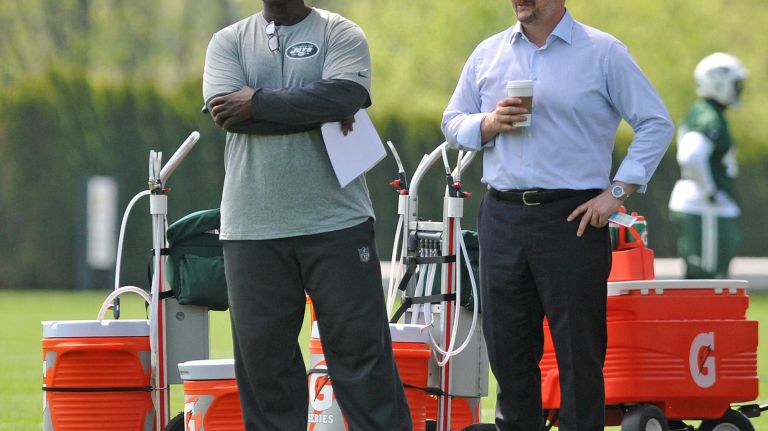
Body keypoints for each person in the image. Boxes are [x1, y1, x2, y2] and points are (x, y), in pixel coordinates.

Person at [441, 1, 673, 430]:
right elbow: (452, 122)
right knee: (508, 353)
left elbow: (656, 123)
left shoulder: (603, 52)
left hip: (574, 218)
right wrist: (487, 123)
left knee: (578, 355)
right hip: (503, 215)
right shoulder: (488, 52)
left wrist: (617, 193)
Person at [202, 1, 412, 429]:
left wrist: (256, 103)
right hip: (251, 229)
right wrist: (317, 106)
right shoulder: (227, 42)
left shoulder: (340, 33)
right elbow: (229, 115)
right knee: (265, 370)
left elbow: (346, 95)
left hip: (337, 222)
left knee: (363, 361)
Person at [669, 53, 747, 279]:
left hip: (708, 207)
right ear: (719, 82)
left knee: (715, 279)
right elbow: (691, 156)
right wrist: (710, 191)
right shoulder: (707, 116)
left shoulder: (708, 113)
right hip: (704, 207)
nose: (738, 88)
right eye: (735, 82)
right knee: (705, 281)